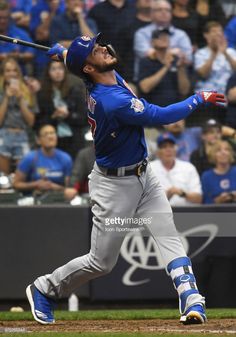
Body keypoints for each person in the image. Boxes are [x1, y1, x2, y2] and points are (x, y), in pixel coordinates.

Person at [25, 32, 226, 326]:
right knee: (101, 262)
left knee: (167, 233)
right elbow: (162, 115)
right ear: (89, 68)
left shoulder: (99, 74)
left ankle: (192, 297)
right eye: (96, 50)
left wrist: (63, 52)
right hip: (114, 187)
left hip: (144, 175)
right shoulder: (111, 101)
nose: (104, 48)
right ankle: (44, 287)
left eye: (99, 44)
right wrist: (199, 98)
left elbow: (78, 61)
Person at [35, 60, 88, 159]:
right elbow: (38, 122)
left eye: (60, 68)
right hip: (52, 141)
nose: (57, 72)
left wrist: (68, 115)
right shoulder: (42, 95)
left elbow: (84, 119)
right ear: (48, 73)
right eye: (53, 69)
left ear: (64, 71)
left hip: (74, 140)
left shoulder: (75, 92)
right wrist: (53, 117)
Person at [134, 0, 192, 80]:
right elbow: (146, 54)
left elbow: (189, 58)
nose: (164, 12)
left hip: (176, 80)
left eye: (167, 10)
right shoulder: (142, 33)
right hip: (148, 77)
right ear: (151, 13)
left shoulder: (181, 35)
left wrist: (158, 52)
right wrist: (175, 52)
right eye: (159, 9)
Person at [194, 21, 236, 124]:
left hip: (224, 101)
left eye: (220, 31)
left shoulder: (231, 52)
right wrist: (213, 53)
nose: (218, 34)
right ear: (206, 35)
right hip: (205, 99)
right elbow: (203, 73)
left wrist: (225, 52)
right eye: (214, 31)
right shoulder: (201, 53)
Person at [13, 124, 73, 197]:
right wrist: (35, 184)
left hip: (58, 199)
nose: (50, 136)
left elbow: (69, 188)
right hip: (33, 199)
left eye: (52, 133)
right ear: (38, 140)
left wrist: (53, 186)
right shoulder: (29, 158)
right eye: (46, 134)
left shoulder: (65, 158)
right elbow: (16, 184)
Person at [0, 58, 37, 174]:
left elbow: (31, 121)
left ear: (18, 72)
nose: (11, 73)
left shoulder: (27, 91)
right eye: (8, 71)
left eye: (14, 70)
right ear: (3, 73)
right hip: (3, 134)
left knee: (22, 176)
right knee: (3, 177)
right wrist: (6, 97)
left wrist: (21, 99)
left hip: (22, 134)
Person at [138, 28, 190, 107]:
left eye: (166, 36)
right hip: (152, 109)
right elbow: (145, 88)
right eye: (159, 36)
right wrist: (166, 67)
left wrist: (181, 69)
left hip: (174, 108)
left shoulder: (177, 60)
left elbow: (184, 91)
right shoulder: (146, 61)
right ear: (152, 43)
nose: (164, 38)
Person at [150, 132, 202, 206]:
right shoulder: (149, 168)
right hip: (159, 214)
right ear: (158, 152)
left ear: (176, 149)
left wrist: (182, 194)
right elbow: (144, 202)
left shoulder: (188, 167)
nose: (168, 150)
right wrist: (167, 195)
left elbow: (198, 199)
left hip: (186, 213)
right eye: (164, 147)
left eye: (171, 146)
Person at [0, 0, 34, 71]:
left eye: (5, 18)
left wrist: (18, 56)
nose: (2, 21)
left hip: (17, 76)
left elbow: (31, 53)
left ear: (9, 17)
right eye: (0, 18)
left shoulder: (19, 33)